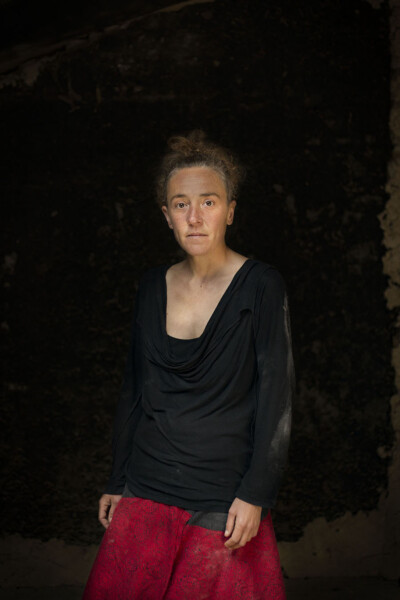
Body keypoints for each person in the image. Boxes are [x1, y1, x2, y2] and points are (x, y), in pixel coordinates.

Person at [82, 130, 295, 600]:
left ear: (230, 211)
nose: (194, 217)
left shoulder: (261, 285)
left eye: (208, 202)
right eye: (181, 205)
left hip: (222, 492)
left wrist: (256, 493)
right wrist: (118, 479)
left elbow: (275, 397)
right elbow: (133, 389)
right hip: (147, 482)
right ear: (167, 215)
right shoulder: (151, 286)